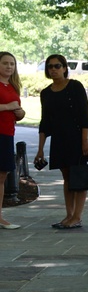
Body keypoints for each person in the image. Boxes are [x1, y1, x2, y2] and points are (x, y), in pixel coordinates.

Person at [33, 54, 88, 230]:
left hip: (77, 137)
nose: (54, 69)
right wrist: (40, 149)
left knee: (79, 177)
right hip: (59, 139)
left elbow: (84, 115)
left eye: (57, 66)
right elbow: (45, 122)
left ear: (65, 68)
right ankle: (69, 215)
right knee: (67, 178)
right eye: (50, 66)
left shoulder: (75, 86)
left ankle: (77, 216)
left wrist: (85, 140)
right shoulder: (46, 93)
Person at [0, 52, 26, 229]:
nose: (9, 67)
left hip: (8, 134)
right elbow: (8, 106)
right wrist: (8, 107)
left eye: (12, 64)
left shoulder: (13, 86)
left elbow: (17, 112)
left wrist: (20, 113)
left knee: (2, 175)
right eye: (5, 63)